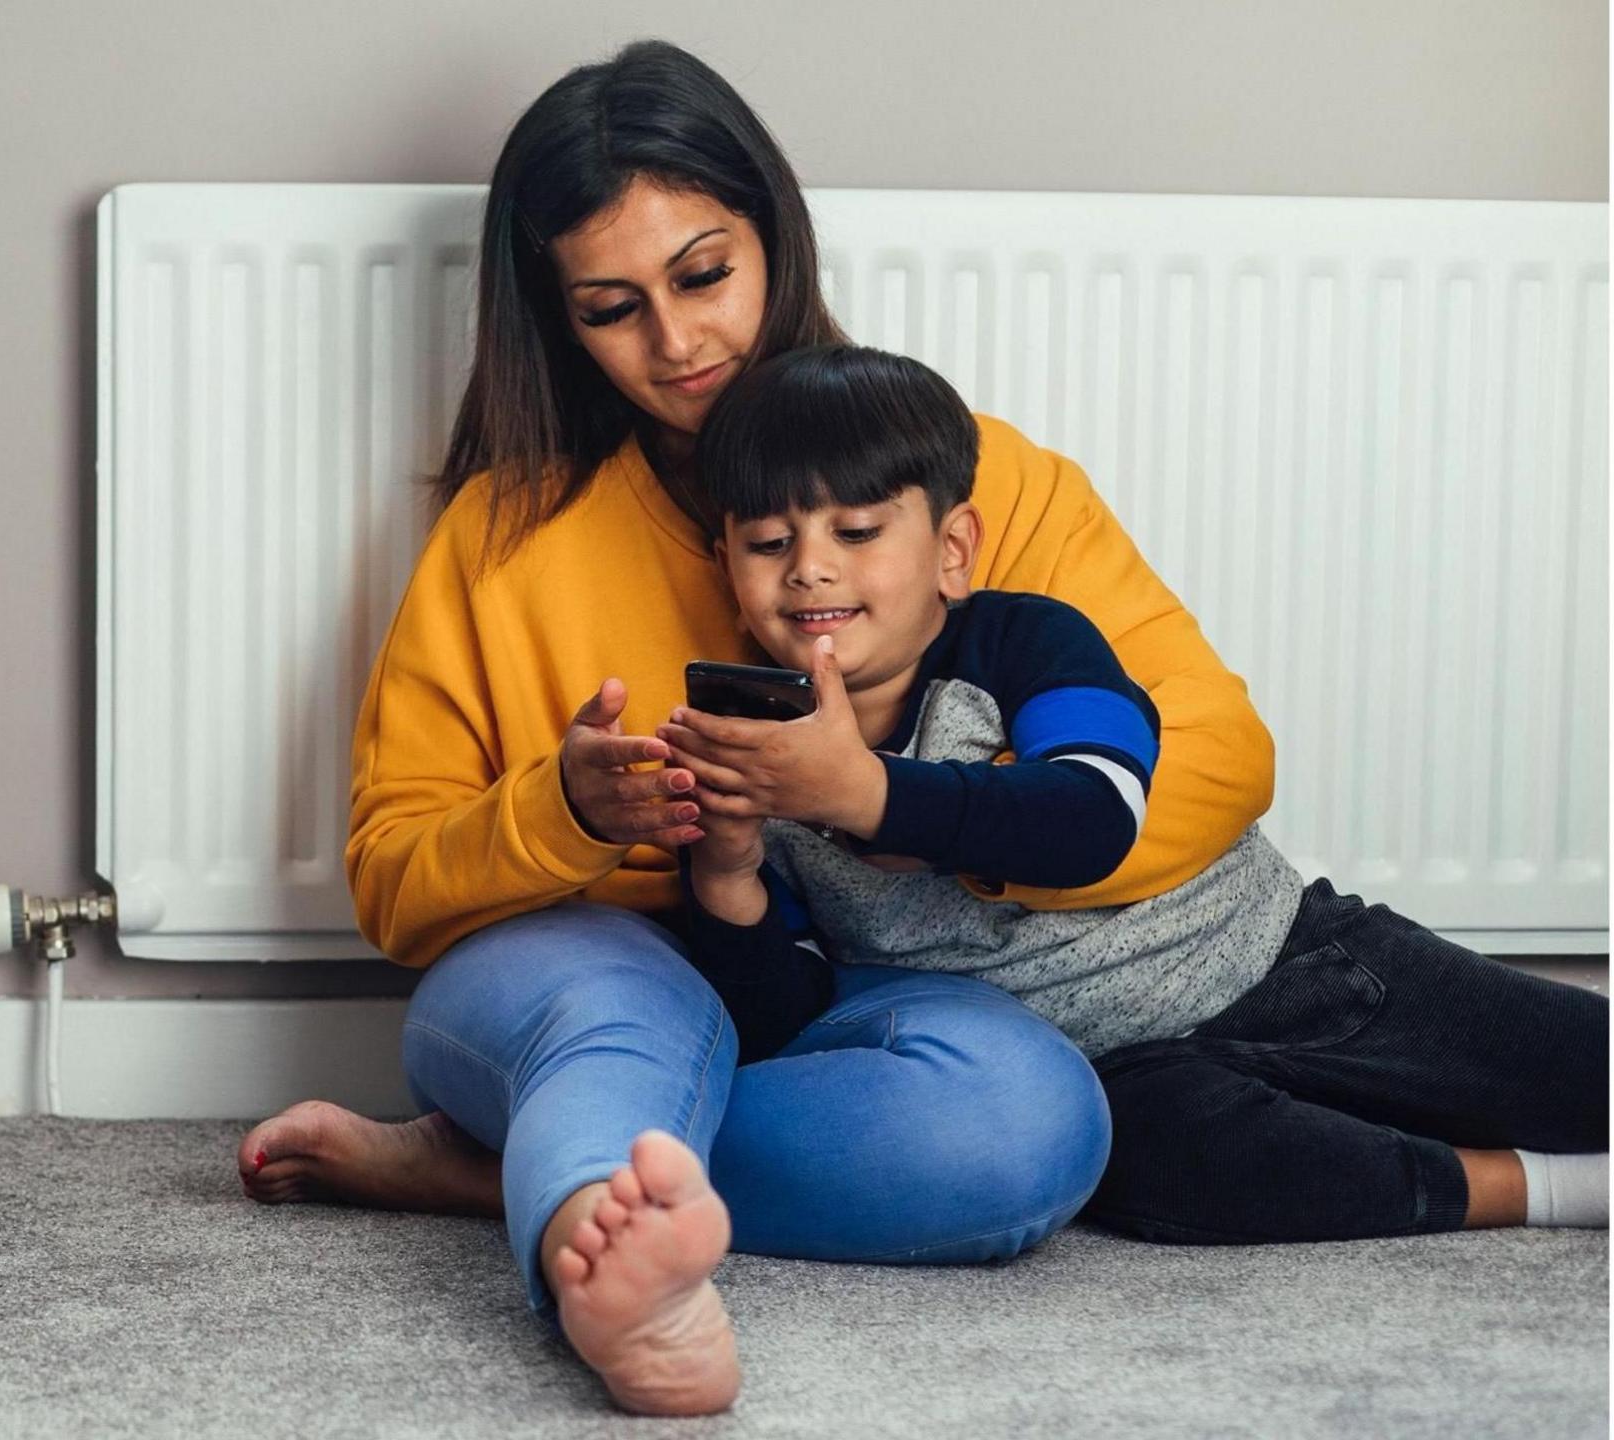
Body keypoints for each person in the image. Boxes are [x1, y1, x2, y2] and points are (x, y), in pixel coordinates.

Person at [237, 39, 1269, 1416]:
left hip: (852, 980)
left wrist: (890, 816)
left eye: (706, 274)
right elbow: (392, 878)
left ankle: (513, 1165)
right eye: (612, 306)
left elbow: (1219, 758)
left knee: (1037, 1124)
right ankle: (605, 1277)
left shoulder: (968, 475)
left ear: (775, 236)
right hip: (599, 966)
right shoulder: (500, 536)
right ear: (559, 317)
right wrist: (568, 816)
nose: (678, 344)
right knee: (624, 1013)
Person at [665, 341, 1610, 1246]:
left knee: (1575, 1066)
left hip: (1283, 962)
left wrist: (869, 792)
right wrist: (727, 874)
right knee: (1166, 1174)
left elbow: (1095, 817)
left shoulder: (1027, 642)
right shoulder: (748, 757)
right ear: (728, 570)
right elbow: (785, 1021)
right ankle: (1549, 1188)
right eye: (768, 542)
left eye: (858, 531)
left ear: (954, 549)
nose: (810, 568)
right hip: (1124, 1071)